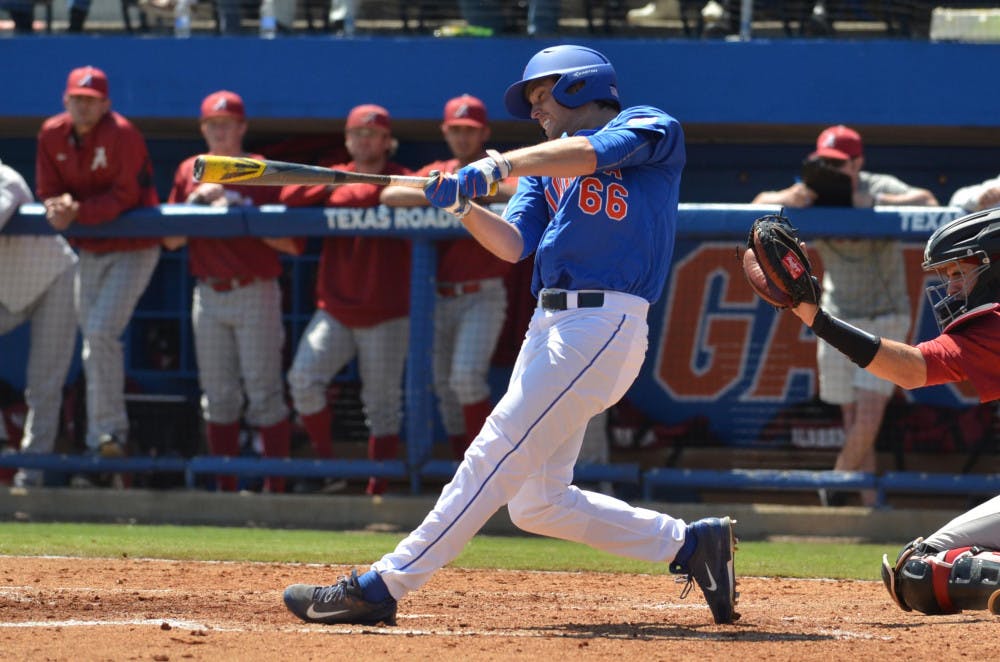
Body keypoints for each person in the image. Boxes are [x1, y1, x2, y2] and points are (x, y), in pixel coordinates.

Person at [282, 44, 739, 627]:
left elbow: (592, 152)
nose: (534, 110)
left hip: (604, 322)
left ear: (578, 85)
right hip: (549, 323)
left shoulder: (649, 125)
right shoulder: (541, 169)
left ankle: (382, 585)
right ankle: (691, 545)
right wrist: (463, 207)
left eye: (540, 95)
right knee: (538, 502)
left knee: (493, 449)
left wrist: (501, 165)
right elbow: (513, 243)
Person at [779, 208, 1000, 615]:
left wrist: (817, 319)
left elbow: (910, 370)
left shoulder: (994, 325)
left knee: (920, 571)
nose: (951, 288)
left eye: (958, 273)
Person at [753, 124, 939, 507]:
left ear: (858, 163)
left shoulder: (875, 183)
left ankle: (828, 494)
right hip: (836, 315)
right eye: (825, 162)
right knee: (854, 423)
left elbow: (930, 203)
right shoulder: (813, 189)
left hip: (885, 314)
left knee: (868, 418)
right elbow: (757, 206)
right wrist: (792, 197)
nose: (832, 170)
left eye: (840, 164)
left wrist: (873, 201)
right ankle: (871, 508)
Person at [165, 90, 302, 493]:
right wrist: (193, 204)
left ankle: (276, 490)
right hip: (207, 294)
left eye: (228, 124)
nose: (220, 131)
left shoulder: (262, 169)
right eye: (213, 124)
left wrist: (246, 211)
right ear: (203, 128)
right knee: (218, 397)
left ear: (242, 128)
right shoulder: (191, 168)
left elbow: (294, 243)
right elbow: (169, 240)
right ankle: (226, 491)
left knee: (264, 393)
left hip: (254, 289)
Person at [280, 104, 412, 495]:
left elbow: (395, 194)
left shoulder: (405, 177)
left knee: (382, 404)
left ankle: (379, 486)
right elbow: (289, 193)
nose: (365, 140)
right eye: (358, 133)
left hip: (388, 311)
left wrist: (353, 189)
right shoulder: (333, 172)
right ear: (347, 139)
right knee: (302, 379)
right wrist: (333, 183)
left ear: (388, 141)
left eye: (373, 134)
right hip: (335, 307)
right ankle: (327, 465)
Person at [36, 65, 161, 472]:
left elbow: (126, 196)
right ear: (65, 99)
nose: (83, 106)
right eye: (77, 99)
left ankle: (108, 433)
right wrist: (56, 205)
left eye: (91, 100)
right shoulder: (51, 133)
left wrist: (77, 213)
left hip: (133, 246)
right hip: (89, 249)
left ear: (105, 104)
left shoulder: (123, 134)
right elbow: (47, 189)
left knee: (101, 333)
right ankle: (100, 437)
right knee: (93, 342)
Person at [380, 94, 515, 461]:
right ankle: (463, 465)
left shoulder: (494, 166)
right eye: (455, 130)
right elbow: (390, 194)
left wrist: (471, 188)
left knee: (465, 378)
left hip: (482, 293)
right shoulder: (438, 170)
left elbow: (518, 189)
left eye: (469, 130)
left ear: (484, 132)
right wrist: (440, 193)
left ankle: (486, 465)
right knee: (443, 385)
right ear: (445, 131)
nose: (462, 137)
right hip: (438, 296)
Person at [0, 159, 78, 488]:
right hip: (7, 293)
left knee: (44, 384)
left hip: (53, 281)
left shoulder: (6, 177)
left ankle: (30, 476)